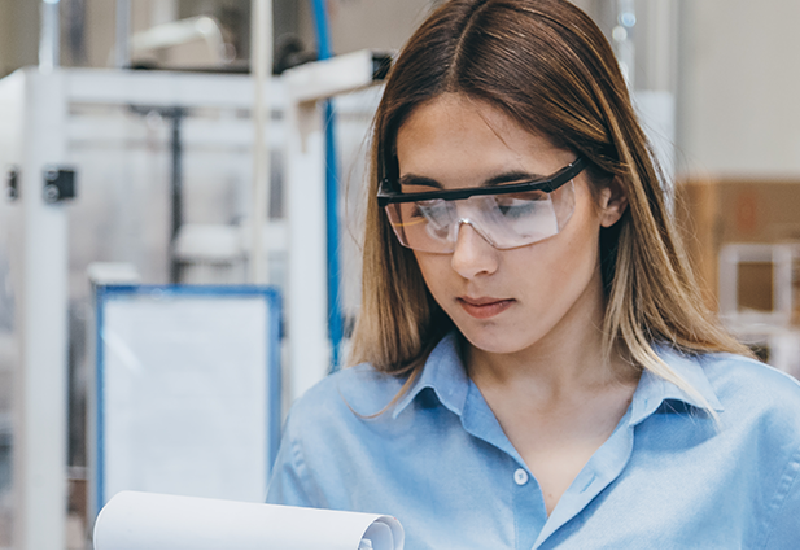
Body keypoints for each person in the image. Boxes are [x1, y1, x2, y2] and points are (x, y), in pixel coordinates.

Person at [267, 0, 800, 547]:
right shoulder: (336, 439)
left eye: (515, 204)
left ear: (611, 190)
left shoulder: (765, 437)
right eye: (430, 209)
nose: (468, 260)